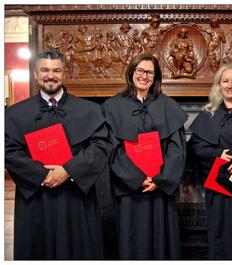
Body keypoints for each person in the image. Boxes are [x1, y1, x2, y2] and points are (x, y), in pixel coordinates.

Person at [5, 48, 113, 259]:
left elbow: (101, 145)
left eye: (56, 70)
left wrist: (68, 171)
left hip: (75, 196)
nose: (50, 75)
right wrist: (41, 174)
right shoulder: (14, 113)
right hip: (35, 197)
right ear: (35, 73)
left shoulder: (90, 110)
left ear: (65, 73)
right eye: (44, 70)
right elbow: (7, 149)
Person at [102, 53, 187, 259]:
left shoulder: (168, 105)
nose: (144, 76)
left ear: (156, 76)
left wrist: (161, 179)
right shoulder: (112, 107)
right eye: (140, 70)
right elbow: (111, 148)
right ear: (131, 73)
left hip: (159, 188)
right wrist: (137, 178)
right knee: (131, 241)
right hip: (129, 190)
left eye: (149, 72)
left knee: (162, 242)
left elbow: (177, 149)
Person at [187, 64, 232, 259]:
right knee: (221, 236)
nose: (230, 85)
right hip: (220, 187)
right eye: (225, 81)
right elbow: (195, 148)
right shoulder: (208, 114)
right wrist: (218, 155)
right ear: (218, 85)